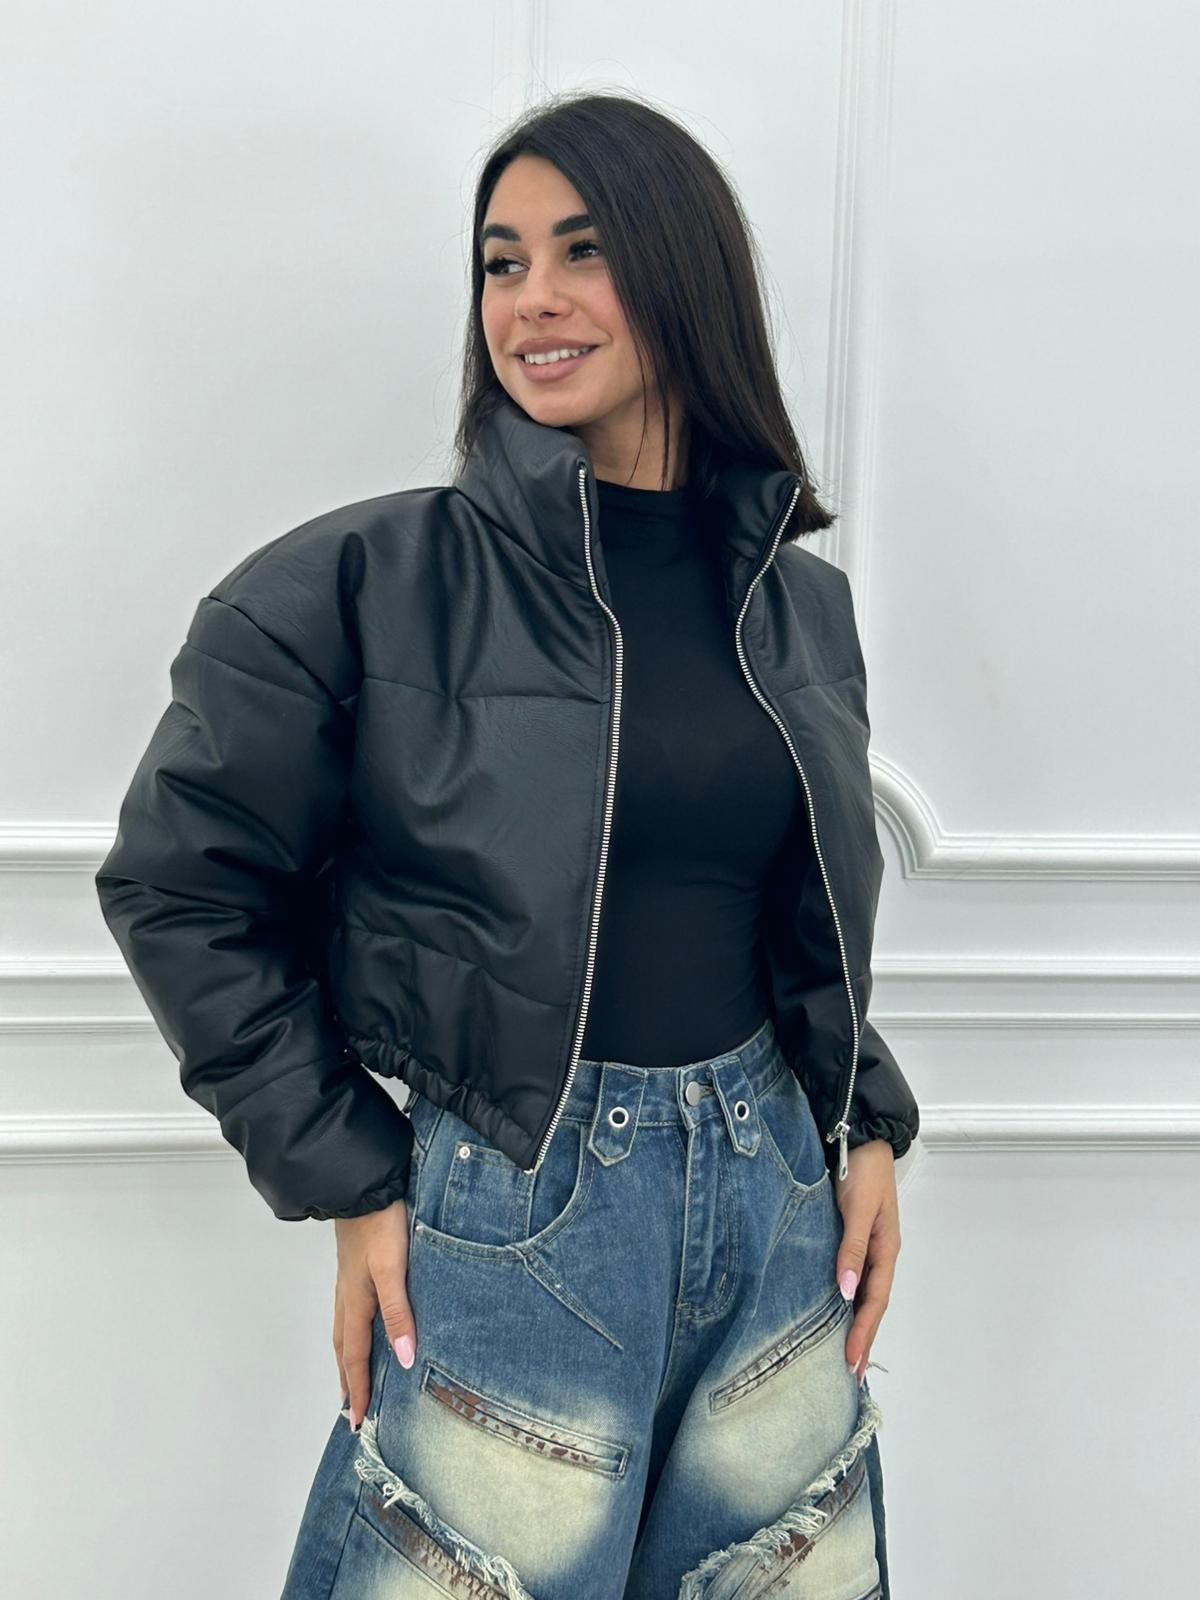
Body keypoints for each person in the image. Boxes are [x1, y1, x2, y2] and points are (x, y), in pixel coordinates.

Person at [96, 90, 919, 1600]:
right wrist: (354, 1172)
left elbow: (787, 908)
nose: (531, 298)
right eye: (501, 262)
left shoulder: (798, 605)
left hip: (781, 1206)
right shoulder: (358, 584)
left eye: (583, 251)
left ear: (685, 277)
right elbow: (179, 888)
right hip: (516, 1213)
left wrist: (862, 1119)